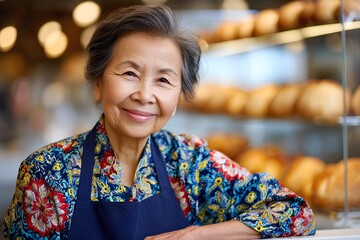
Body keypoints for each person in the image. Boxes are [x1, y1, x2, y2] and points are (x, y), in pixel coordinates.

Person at [2, 4, 316, 240]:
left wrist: (197, 234)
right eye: (129, 73)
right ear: (97, 84)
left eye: (164, 80)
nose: (144, 94)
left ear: (179, 97)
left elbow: (295, 212)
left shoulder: (190, 162)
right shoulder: (46, 173)